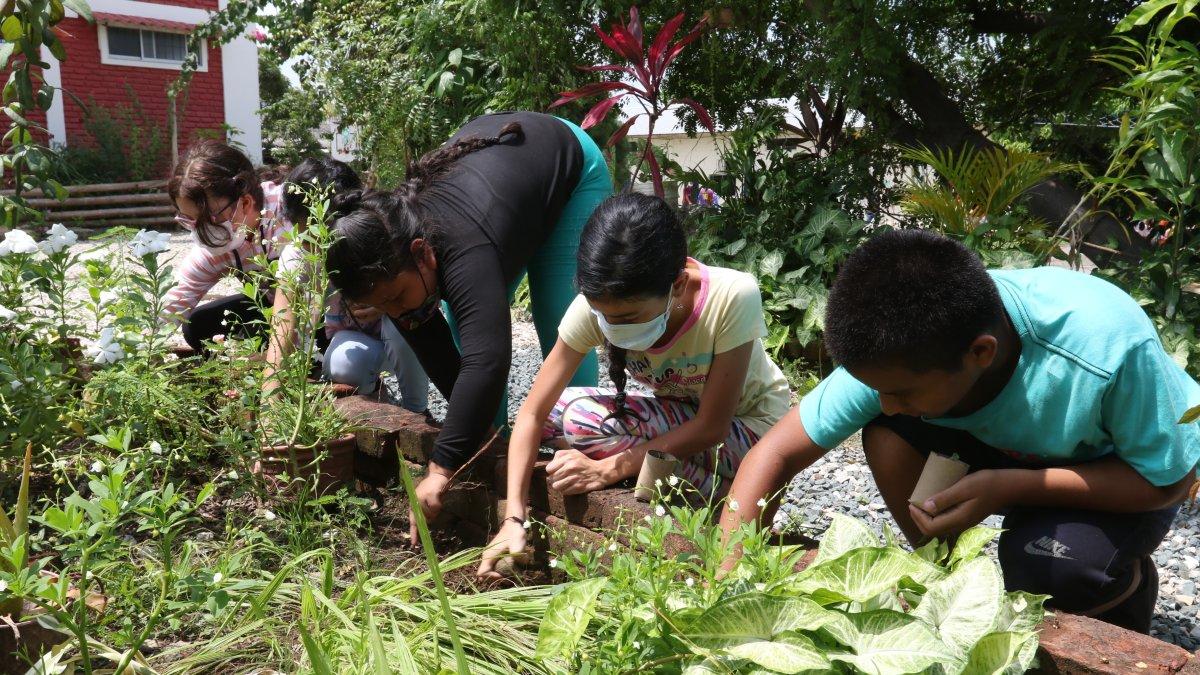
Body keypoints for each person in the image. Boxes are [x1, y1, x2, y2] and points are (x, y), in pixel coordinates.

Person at [719, 229, 1200, 633]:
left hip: (1113, 473)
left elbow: (1168, 481)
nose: (886, 402)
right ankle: (948, 583)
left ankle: (1122, 595)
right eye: (877, 389)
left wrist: (1014, 487)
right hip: (1006, 452)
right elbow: (774, 455)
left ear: (981, 353)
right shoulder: (900, 348)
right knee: (888, 432)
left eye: (903, 393)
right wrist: (725, 590)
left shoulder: (1104, 349)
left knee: (1048, 568)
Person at [325, 111, 612, 540]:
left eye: (398, 298)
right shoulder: (394, 260)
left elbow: (488, 360)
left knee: (562, 321)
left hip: (567, 168)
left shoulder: (462, 245)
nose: (397, 313)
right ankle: (494, 449)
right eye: (382, 306)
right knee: (464, 326)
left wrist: (440, 469)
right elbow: (442, 354)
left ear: (423, 253)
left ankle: (580, 447)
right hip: (503, 198)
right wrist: (467, 450)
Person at [477, 193, 792, 578]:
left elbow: (713, 425)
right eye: (604, 315)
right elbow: (532, 412)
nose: (615, 326)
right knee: (564, 413)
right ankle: (697, 486)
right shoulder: (599, 306)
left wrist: (607, 470)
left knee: (579, 422)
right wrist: (513, 515)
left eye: (629, 317)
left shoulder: (731, 296)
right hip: (683, 422)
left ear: (677, 285)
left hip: (751, 434)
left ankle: (732, 495)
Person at [267, 157, 429, 410]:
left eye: (322, 233)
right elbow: (282, 329)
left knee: (401, 328)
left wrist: (388, 301)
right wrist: (270, 407)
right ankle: (371, 401)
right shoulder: (299, 254)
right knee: (343, 364)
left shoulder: (377, 238)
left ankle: (416, 410)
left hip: (401, 331)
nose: (315, 245)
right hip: (354, 337)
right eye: (306, 234)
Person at [165, 140, 290, 352]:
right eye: (189, 220)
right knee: (197, 327)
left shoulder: (288, 215)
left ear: (245, 202)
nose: (201, 232)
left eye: (208, 219)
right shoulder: (220, 244)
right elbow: (174, 303)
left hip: (318, 308)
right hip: (271, 307)